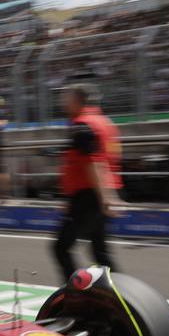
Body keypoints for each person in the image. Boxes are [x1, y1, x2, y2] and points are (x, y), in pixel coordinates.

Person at [53, 83, 123, 282]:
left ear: (77, 100)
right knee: (100, 252)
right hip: (98, 192)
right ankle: (121, 295)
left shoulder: (82, 125)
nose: (62, 102)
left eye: (66, 97)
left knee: (60, 248)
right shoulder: (105, 122)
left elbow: (94, 162)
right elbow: (112, 159)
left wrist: (105, 199)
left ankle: (76, 295)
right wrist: (110, 194)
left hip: (90, 196)